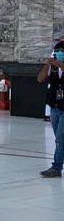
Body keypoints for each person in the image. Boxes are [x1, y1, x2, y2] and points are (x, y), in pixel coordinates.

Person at [39, 40, 64, 177]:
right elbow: (40, 79)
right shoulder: (52, 66)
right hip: (55, 105)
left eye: (62, 52)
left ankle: (56, 167)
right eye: (57, 51)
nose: (59, 53)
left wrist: (59, 64)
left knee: (60, 138)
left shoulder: (59, 64)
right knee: (59, 137)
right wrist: (47, 66)